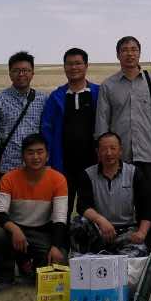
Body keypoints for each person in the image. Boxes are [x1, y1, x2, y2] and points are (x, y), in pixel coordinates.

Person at [96, 36, 151, 229]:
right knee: (123, 200)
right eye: (125, 50)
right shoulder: (108, 85)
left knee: (150, 198)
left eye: (134, 49)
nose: (130, 54)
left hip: (147, 152)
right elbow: (102, 122)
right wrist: (104, 153)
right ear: (118, 55)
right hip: (120, 155)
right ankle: (125, 236)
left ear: (139, 53)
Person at [0, 133, 69, 288]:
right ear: (23, 156)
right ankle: (5, 276)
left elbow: (60, 218)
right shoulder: (8, 178)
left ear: (47, 155)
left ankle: (30, 267)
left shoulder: (58, 179)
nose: (35, 157)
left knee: (60, 259)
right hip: (16, 231)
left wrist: (55, 246)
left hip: (42, 232)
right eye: (30, 152)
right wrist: (15, 229)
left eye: (40, 152)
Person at [69, 131, 151, 254]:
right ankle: (82, 261)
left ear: (120, 151)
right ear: (97, 152)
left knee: (138, 252)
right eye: (104, 149)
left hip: (126, 231)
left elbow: (148, 206)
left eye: (113, 148)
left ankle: (109, 258)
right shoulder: (88, 174)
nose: (109, 153)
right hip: (99, 229)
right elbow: (82, 206)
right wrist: (101, 221)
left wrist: (141, 233)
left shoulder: (134, 173)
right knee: (77, 223)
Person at [41, 47, 99, 216]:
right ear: (64, 67)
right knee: (61, 212)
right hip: (63, 165)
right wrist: (49, 158)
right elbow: (47, 129)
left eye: (78, 63)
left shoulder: (98, 93)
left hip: (93, 164)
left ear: (86, 66)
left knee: (92, 211)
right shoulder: (56, 96)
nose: (74, 67)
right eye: (69, 64)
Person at [0, 52, 47, 181]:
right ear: (10, 73)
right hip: (7, 165)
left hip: (35, 165)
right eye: (16, 70)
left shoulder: (43, 99)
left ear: (32, 73)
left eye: (25, 70)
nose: (21, 74)